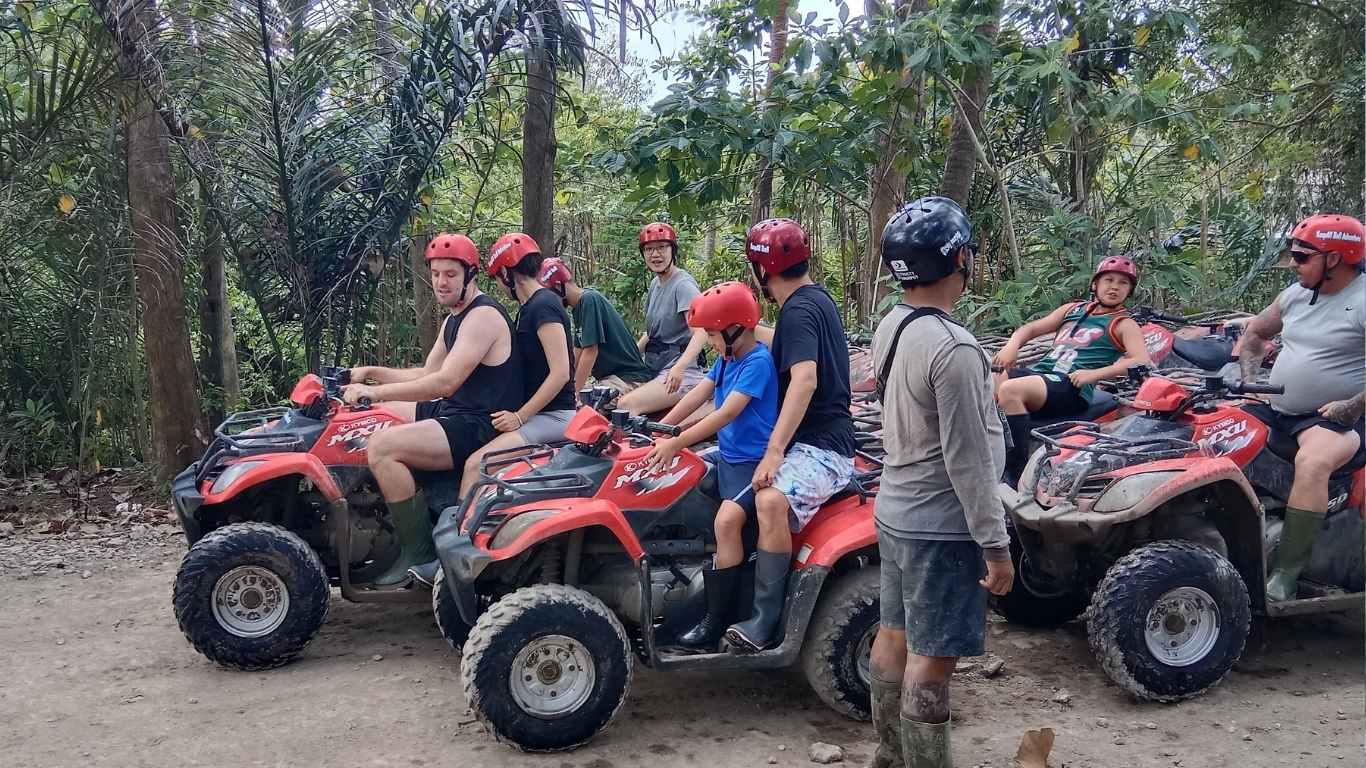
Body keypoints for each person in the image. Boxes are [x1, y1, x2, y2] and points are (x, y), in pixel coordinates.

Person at [867, 197, 1014, 768]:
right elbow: (969, 462)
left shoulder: (893, 324)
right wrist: (996, 548)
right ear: (959, 259)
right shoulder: (955, 349)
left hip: (895, 509)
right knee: (932, 659)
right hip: (941, 526)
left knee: (894, 637)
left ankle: (888, 757)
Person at [340, 233, 519, 586]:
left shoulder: (482, 317)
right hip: (453, 411)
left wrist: (373, 394)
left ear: (470, 275)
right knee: (373, 418)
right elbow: (426, 373)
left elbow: (444, 383)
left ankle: (419, 553)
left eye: (451, 274)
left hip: (479, 423)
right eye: (436, 273)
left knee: (381, 447)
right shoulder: (455, 318)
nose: (441, 282)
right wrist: (369, 375)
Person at [725, 218, 856, 653]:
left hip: (823, 446)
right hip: (810, 440)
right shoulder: (811, 301)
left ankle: (766, 618)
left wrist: (775, 452)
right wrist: (731, 325)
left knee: (769, 499)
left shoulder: (799, 309)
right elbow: (782, 341)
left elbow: (804, 379)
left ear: (762, 272)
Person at [643, 281, 778, 650]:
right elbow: (700, 392)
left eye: (714, 336)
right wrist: (661, 428)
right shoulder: (728, 359)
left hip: (755, 465)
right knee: (681, 480)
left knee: (727, 521)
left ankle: (715, 620)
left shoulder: (758, 362)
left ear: (736, 329)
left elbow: (725, 413)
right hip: (729, 456)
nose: (711, 343)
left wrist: (677, 440)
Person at [1238, 213, 1366, 602]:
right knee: (1212, 434)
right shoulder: (1295, 295)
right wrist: (1251, 383)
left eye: (1301, 255)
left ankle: (1286, 574)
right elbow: (1256, 334)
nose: (1293, 263)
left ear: (1335, 258)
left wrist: (1353, 404)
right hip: (1279, 408)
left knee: (1312, 463)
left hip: (1340, 417)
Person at [991, 255, 1152, 481]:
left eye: (1123, 283)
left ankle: (1014, 470)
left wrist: (1094, 374)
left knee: (1010, 390)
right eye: (1109, 280)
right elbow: (1030, 329)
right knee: (992, 377)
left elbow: (1140, 360)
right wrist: (1012, 346)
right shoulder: (1073, 309)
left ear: (1129, 290)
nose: (1115, 287)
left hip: (1072, 385)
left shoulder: (1124, 323)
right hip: (1042, 376)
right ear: (1095, 284)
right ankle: (989, 451)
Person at [458, 233, 577, 497]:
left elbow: (560, 373)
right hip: (538, 414)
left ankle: (462, 536)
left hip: (554, 416)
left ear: (507, 274)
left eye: (498, 278)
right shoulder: (528, 309)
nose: (499, 285)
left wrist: (519, 417)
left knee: (477, 465)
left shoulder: (544, 305)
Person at [619, 222, 712, 417]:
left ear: (672, 250)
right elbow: (651, 332)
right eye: (649, 249)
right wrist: (631, 355)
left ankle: (643, 445)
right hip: (656, 365)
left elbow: (702, 331)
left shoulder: (683, 285)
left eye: (662, 247)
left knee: (626, 405)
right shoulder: (656, 283)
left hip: (683, 371)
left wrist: (680, 367)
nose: (655, 254)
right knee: (608, 396)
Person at [537, 257, 655, 397]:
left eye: (548, 294)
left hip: (628, 378)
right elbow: (578, 350)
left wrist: (574, 393)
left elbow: (590, 351)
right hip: (610, 378)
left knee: (587, 405)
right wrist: (565, 383)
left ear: (558, 286)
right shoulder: (578, 308)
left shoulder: (589, 300)